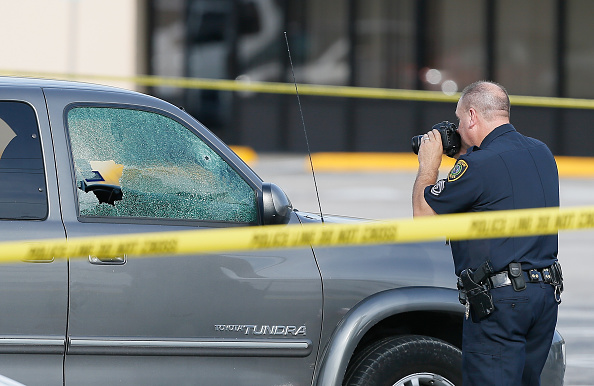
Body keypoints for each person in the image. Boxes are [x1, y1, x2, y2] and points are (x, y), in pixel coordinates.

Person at [412, 80, 562, 385]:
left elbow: (423, 216)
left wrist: (429, 165)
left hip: (502, 305)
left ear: (471, 116)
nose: (457, 127)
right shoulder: (541, 152)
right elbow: (498, 184)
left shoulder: (477, 166)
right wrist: (467, 154)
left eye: (458, 119)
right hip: (544, 298)